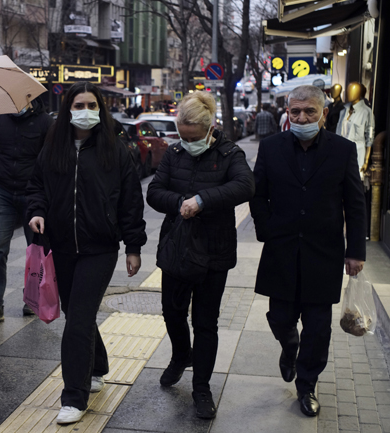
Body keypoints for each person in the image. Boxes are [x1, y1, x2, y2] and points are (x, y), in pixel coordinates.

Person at [26, 82, 147, 425]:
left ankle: (74, 398)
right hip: (61, 247)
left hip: (100, 248)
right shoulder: (52, 148)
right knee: (78, 313)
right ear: (67, 109)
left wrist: (133, 246)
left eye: (92, 104)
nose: (86, 109)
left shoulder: (116, 150)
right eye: (79, 104)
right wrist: (36, 210)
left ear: (101, 108)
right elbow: (36, 187)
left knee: (78, 318)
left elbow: (130, 203)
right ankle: (98, 366)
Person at [249, 85, 366, 417]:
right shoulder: (271, 148)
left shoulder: (343, 150)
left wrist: (355, 251)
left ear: (324, 114)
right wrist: (266, 228)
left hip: (323, 252)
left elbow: (355, 204)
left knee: (317, 327)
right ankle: (289, 347)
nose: (301, 117)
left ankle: (307, 385)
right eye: (295, 112)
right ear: (287, 113)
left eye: (309, 112)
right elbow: (257, 194)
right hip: (281, 249)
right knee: (279, 318)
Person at [146, 91, 255, 419]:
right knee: (171, 311)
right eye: (182, 135)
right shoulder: (174, 152)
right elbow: (154, 191)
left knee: (206, 321)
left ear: (210, 129)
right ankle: (181, 355)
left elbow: (246, 186)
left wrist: (203, 200)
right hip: (178, 246)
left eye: (193, 137)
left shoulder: (229, 152)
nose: (186, 141)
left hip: (214, 249)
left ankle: (202, 388)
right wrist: (181, 203)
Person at [0, 96, 54, 322]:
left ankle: (32, 299)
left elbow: (51, 160)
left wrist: (43, 191)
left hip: (34, 195)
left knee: (36, 249)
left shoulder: (45, 123)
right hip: (3, 192)